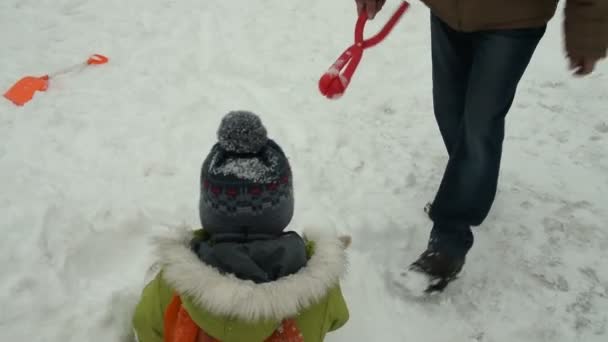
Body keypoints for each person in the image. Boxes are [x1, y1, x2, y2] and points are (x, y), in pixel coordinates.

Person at [354, 0, 607, 292]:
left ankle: (449, 240)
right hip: (448, 11)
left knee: (479, 125)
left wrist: (588, 31)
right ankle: (471, 185)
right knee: (449, 112)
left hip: (514, 20)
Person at [132, 111, 350, 342]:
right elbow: (339, 317)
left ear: (210, 212)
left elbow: (144, 323)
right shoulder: (319, 289)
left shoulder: (173, 286)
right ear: (283, 209)